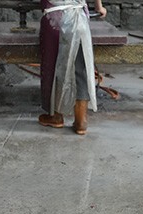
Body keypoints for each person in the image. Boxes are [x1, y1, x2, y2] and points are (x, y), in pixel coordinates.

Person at [38, 0, 106, 135]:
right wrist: (99, 7)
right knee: (81, 67)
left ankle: (56, 116)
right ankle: (81, 120)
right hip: (80, 21)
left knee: (54, 66)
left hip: (55, 20)